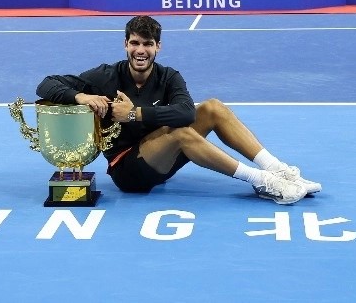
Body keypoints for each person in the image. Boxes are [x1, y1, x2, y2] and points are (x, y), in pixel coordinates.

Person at [35, 15, 320, 205]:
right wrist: (82, 96)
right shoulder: (105, 76)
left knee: (213, 108)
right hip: (128, 171)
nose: (140, 50)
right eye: (134, 43)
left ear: (158, 47)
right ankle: (264, 182)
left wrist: (135, 114)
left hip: (163, 158)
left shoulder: (169, 76)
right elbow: (46, 84)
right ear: (125, 44)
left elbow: (187, 113)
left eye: (147, 44)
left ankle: (279, 170)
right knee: (181, 135)